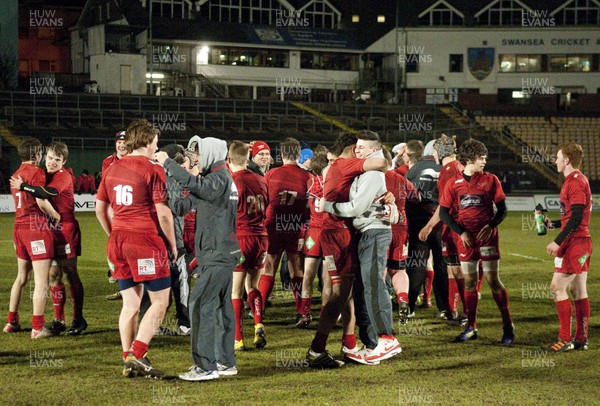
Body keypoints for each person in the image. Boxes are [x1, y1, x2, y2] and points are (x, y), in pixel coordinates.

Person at [155, 135, 240, 382]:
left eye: (199, 154)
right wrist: (169, 181)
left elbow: (199, 189)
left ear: (212, 153)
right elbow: (181, 207)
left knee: (200, 305)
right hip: (221, 253)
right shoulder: (214, 180)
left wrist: (168, 164)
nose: (196, 159)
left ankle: (205, 367)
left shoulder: (219, 178)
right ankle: (225, 361)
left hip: (217, 253)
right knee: (222, 309)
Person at [96, 119, 176, 378]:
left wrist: (114, 235)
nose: (156, 146)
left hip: (118, 240)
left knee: (130, 304)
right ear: (145, 141)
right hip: (145, 241)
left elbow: (100, 209)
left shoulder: (111, 168)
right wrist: (172, 244)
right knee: (161, 301)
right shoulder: (152, 170)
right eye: (155, 141)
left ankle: (127, 358)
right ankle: (138, 353)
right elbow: (164, 214)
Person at [305, 131, 387, 369]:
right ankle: (316, 350)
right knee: (340, 293)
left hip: (334, 232)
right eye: (358, 148)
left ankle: (349, 344)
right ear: (352, 150)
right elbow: (383, 162)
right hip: (338, 233)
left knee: (346, 291)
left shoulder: (337, 167)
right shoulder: (346, 163)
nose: (361, 152)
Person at [319, 135, 402, 365]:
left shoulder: (372, 173)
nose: (358, 151)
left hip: (373, 233)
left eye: (362, 148)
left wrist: (328, 206)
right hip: (363, 233)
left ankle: (387, 338)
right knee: (366, 288)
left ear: (374, 150)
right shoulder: (360, 172)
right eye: (356, 147)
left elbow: (356, 207)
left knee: (373, 285)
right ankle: (372, 344)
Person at [439, 138, 514, 344]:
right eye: (481, 158)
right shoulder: (453, 183)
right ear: (470, 159)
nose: (484, 161)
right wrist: (461, 232)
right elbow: (444, 213)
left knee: (493, 280)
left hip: (487, 238)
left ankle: (508, 326)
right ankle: (471, 327)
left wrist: (491, 225)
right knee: (470, 282)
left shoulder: (491, 180)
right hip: (467, 239)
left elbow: (503, 210)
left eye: (485, 158)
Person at [11, 142, 87, 336]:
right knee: (53, 275)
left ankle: (78, 318)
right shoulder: (45, 173)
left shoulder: (63, 176)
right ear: (45, 157)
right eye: (50, 158)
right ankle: (58, 319)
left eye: (57, 159)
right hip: (49, 229)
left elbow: (45, 193)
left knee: (70, 272)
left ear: (64, 161)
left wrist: (23, 186)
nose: (52, 162)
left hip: (65, 229)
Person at [4, 138, 57, 338]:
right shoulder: (36, 172)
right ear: (36, 155)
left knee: (21, 277)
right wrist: (56, 216)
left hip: (18, 227)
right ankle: (37, 327)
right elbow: (42, 202)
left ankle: (11, 322)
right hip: (35, 227)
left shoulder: (15, 174)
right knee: (41, 281)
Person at [544, 142, 591, 352]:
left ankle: (565, 339)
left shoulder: (575, 182)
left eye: (558, 157)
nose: (555, 161)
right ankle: (581, 338)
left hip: (576, 243)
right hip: (580, 241)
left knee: (557, 287)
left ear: (567, 160)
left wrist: (558, 241)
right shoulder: (574, 181)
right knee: (578, 289)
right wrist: (553, 224)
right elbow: (571, 216)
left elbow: (578, 215)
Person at [257, 138, 311, 323]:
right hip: (295, 225)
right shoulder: (307, 177)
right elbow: (311, 204)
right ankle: (303, 311)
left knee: (269, 265)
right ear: (298, 155)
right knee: (296, 267)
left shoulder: (271, 174)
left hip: (273, 224)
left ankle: (259, 311)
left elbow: (262, 199)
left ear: (281, 154)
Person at [419, 134, 467, 323]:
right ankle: (454, 310)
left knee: (457, 271)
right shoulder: (459, 166)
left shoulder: (447, 170)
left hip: (455, 227)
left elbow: (444, 205)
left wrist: (429, 227)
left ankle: (463, 312)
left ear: (437, 153)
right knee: (457, 270)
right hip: (462, 224)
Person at [228, 141, 269, 351]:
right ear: (247, 159)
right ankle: (259, 324)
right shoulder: (261, 180)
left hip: (241, 238)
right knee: (253, 286)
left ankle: (238, 338)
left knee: (236, 292)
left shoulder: (232, 181)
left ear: (229, 160)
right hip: (261, 238)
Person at [405, 140, 445, 316]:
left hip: (417, 221)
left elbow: (406, 194)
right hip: (441, 222)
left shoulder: (414, 170)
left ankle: (410, 306)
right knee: (441, 264)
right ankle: (445, 308)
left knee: (416, 263)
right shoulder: (445, 170)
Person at [384, 149, 419, 324]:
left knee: (380, 271)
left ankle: (379, 309)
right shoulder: (400, 179)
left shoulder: (371, 179)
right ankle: (403, 300)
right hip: (400, 227)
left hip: (380, 228)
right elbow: (416, 197)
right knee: (398, 268)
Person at [298, 153, 328, 328]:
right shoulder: (333, 183)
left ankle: (305, 312)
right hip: (328, 232)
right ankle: (325, 313)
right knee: (326, 277)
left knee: (308, 273)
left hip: (313, 232)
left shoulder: (311, 182)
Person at [103, 130, 129, 299]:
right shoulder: (108, 162)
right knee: (116, 248)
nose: (120, 145)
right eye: (118, 142)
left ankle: (129, 286)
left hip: (129, 211)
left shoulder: (134, 160)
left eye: (124, 142)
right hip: (114, 209)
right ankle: (122, 285)